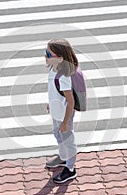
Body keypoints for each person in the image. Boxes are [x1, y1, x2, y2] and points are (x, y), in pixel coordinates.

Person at [45, 39, 78, 183]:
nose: (45, 56)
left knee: (67, 140)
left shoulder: (64, 77)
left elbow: (71, 102)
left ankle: (70, 169)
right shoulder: (54, 69)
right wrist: (50, 103)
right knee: (57, 134)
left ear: (60, 58)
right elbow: (55, 91)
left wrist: (65, 122)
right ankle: (63, 157)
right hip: (56, 111)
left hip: (64, 114)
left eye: (48, 54)